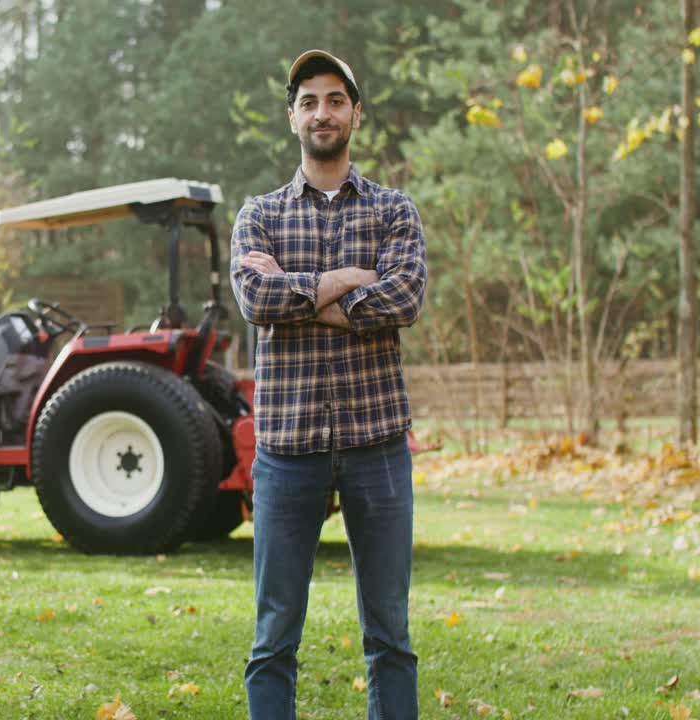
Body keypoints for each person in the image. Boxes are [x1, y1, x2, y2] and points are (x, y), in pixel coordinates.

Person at [229, 49, 428, 720]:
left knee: (390, 634)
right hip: (287, 450)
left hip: (378, 447)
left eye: (336, 99)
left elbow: (403, 298)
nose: (323, 112)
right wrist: (344, 281)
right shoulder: (257, 215)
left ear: (356, 114)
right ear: (293, 117)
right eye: (309, 100)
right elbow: (256, 297)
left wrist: (300, 294)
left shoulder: (395, 211)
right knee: (273, 636)